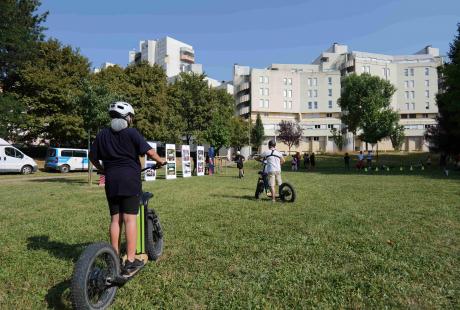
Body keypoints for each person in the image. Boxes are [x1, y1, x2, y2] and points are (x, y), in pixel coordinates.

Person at [89, 101, 166, 276]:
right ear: (127, 118)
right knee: (130, 219)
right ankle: (130, 260)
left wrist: (102, 169)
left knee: (115, 220)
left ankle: (114, 257)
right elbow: (150, 152)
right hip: (129, 180)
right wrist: (161, 161)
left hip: (112, 181)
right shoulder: (131, 133)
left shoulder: (102, 135)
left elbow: (92, 156)